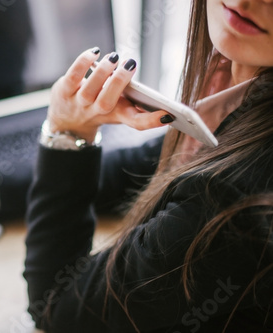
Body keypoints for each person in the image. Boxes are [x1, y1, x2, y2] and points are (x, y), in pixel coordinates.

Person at [23, 0, 273, 331]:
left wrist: (68, 130)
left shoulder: (235, 195)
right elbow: (136, 166)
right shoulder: (239, 88)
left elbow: (58, 306)